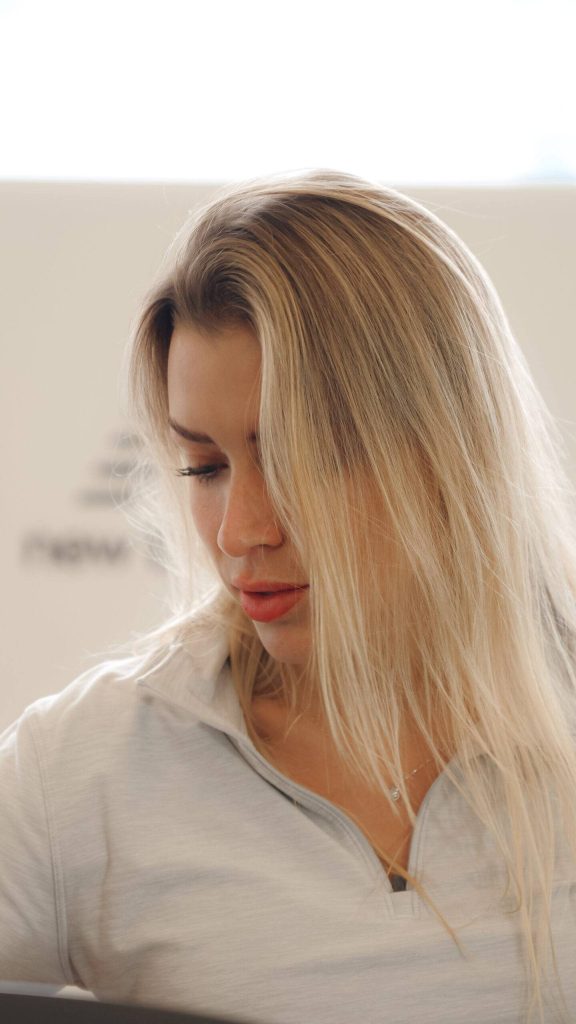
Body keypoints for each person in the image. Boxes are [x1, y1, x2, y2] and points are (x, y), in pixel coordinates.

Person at [1, 170, 576, 1024]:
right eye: (204, 467)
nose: (240, 531)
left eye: (298, 459)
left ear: (448, 450)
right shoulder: (84, 771)